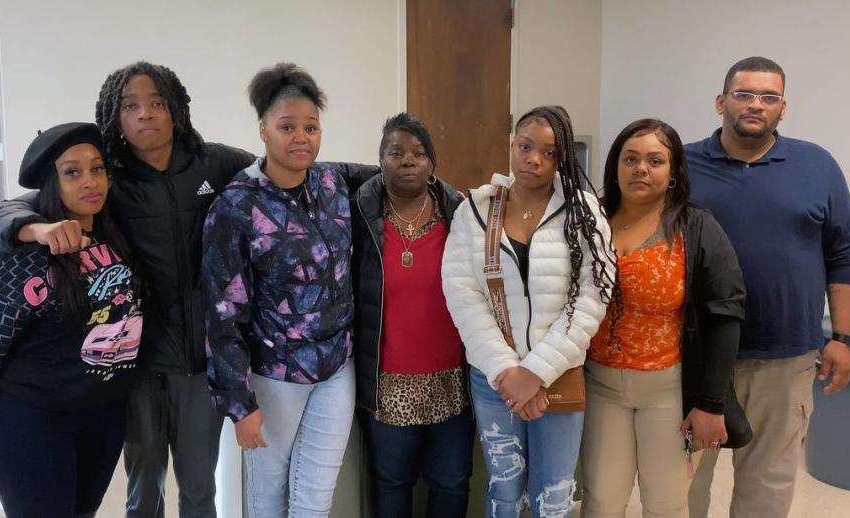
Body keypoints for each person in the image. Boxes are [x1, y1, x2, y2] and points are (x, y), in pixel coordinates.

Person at [0, 62, 255, 517]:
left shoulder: (216, 162)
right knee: (143, 487)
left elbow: (280, 171)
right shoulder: (106, 175)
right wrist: (35, 230)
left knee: (200, 488)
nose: (146, 114)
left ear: (176, 109)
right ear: (116, 117)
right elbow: (0, 214)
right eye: (131, 106)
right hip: (135, 365)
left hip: (200, 365)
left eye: (157, 103)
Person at [684, 56, 850, 518]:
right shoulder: (682, 165)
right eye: (744, 94)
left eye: (768, 97)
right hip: (693, 353)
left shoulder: (817, 165)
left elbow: (844, 254)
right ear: (721, 101)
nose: (755, 105)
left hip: (785, 356)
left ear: (783, 108)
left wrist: (843, 339)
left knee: (767, 485)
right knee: (681, 484)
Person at [0, 122, 143, 517]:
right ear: (51, 183)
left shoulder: (114, 231)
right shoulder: (26, 255)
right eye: (72, 172)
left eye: (97, 168)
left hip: (102, 417)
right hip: (32, 422)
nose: (90, 181)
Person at [201, 62, 369, 518]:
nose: (301, 137)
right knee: (268, 496)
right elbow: (222, 312)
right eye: (287, 126)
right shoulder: (236, 206)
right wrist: (239, 402)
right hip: (274, 375)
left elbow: (392, 172)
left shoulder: (332, 183)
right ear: (263, 131)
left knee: (315, 498)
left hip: (337, 366)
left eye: (311, 127)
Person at [441, 105, 616, 518]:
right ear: (512, 146)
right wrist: (508, 371)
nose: (533, 159)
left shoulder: (584, 212)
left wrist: (535, 372)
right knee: (504, 490)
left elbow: (593, 296)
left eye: (549, 152)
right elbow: (463, 294)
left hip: (558, 374)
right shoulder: (476, 210)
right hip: (494, 378)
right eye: (524, 146)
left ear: (563, 159)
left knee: (553, 495)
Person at [580, 119, 747, 518]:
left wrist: (711, 403)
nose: (641, 168)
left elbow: (726, 314)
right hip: (600, 386)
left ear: (673, 173)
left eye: (655, 160)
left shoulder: (696, 226)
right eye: (631, 158)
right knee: (600, 501)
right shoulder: (589, 223)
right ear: (615, 166)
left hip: (668, 392)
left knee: (665, 504)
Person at [352, 112, 473, 518]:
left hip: (451, 382)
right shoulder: (361, 216)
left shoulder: (460, 215)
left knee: (452, 482)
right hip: (387, 383)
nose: (407, 160)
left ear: (432, 163)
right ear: (380, 162)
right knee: (391, 484)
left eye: (419, 153)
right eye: (396, 152)